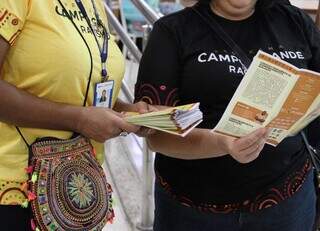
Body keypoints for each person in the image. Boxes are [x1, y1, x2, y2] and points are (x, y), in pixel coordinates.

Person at [135, 0, 320, 230]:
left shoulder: (294, 21)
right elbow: (156, 135)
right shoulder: (173, 31)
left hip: (287, 203)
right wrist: (222, 143)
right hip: (193, 210)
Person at [0, 0, 152, 230]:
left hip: (78, 188)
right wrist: (78, 119)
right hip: (17, 189)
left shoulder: (94, 4)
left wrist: (128, 112)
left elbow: (82, 90)